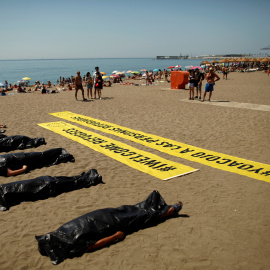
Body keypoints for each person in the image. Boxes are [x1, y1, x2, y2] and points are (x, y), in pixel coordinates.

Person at [35, 190, 183, 265]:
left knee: (130, 211)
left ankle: (158, 207)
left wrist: (115, 236)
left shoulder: (61, 233)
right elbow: (92, 246)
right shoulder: (69, 243)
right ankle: (167, 212)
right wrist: (115, 237)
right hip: (105, 223)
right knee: (136, 219)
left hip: (101, 217)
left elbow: (91, 246)